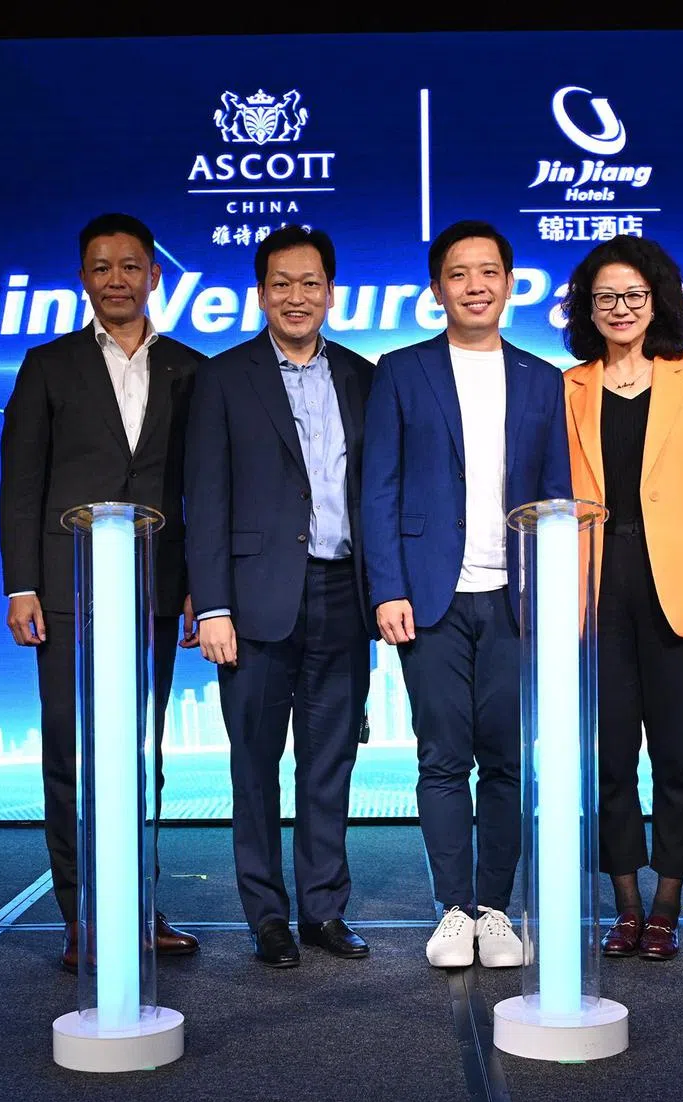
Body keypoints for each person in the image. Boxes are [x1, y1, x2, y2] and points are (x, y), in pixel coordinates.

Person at [362, 220, 572, 968]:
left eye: (488, 272)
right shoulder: (401, 370)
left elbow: (556, 499)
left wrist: (553, 595)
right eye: (459, 274)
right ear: (437, 288)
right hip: (430, 597)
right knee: (443, 758)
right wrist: (387, 587)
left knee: (508, 761)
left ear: (509, 284)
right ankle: (453, 909)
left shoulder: (543, 378)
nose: (475, 286)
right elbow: (378, 489)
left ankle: (496, 909)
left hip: (514, 598)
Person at [0, 212, 202, 970]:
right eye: (102, 267)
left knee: (141, 752)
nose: (117, 280)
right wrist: (21, 585)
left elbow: (202, 491)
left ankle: (139, 906)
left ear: (154, 275)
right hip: (64, 592)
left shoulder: (192, 368)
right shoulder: (48, 366)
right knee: (72, 752)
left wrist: (198, 585)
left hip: (155, 588)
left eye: (130, 266)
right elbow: (21, 485)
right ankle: (82, 914)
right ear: (84, 277)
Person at [184, 227, 374, 967]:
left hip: (342, 592)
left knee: (330, 763)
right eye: (282, 284)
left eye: (310, 283)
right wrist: (214, 605)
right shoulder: (223, 377)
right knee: (255, 766)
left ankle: (323, 910)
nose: (297, 297)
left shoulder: (362, 375)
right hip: (254, 601)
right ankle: (266, 916)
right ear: (261, 292)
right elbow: (206, 496)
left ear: (330, 292)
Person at [561, 235, 683, 962]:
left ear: (657, 300)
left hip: (679, 580)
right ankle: (626, 905)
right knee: (609, 755)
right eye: (605, 297)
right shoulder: (569, 385)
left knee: (677, 752)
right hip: (597, 582)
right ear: (587, 308)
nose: (620, 308)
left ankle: (667, 903)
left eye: (633, 295)